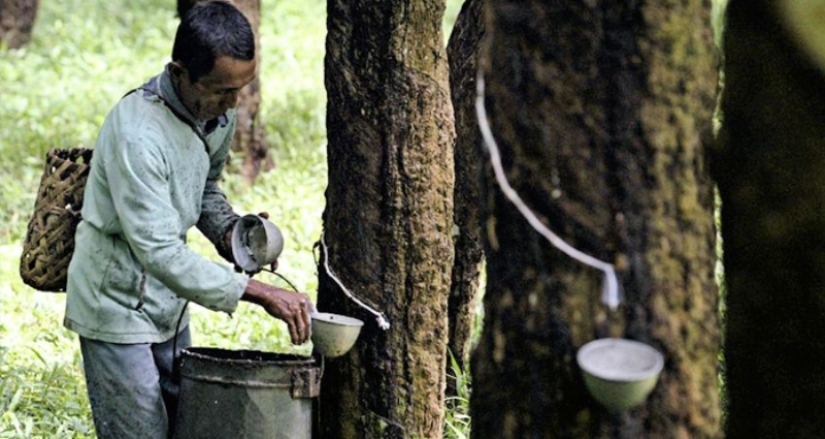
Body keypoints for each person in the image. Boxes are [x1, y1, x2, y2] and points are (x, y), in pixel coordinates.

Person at [63, 2, 312, 438]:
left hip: (169, 304)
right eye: (221, 91)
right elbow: (159, 251)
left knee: (187, 425)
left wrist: (232, 232)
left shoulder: (217, 113)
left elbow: (204, 190)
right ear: (179, 73)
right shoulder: (138, 135)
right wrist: (258, 292)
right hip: (116, 306)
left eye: (241, 89)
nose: (233, 104)